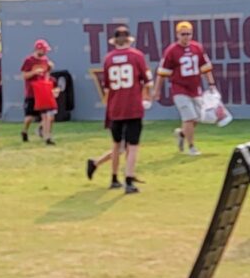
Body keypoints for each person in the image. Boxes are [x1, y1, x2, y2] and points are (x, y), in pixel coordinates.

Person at [86, 25, 153, 193]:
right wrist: (146, 97)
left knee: (117, 145)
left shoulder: (108, 59)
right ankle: (129, 180)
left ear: (115, 41)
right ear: (129, 40)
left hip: (116, 107)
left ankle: (114, 178)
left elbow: (107, 88)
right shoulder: (137, 56)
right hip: (132, 107)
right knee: (133, 146)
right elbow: (147, 81)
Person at [156, 21, 216, 156]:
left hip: (195, 88)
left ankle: (182, 133)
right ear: (177, 34)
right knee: (189, 118)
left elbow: (206, 68)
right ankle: (191, 147)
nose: (186, 37)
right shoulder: (171, 50)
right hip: (179, 88)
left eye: (188, 34)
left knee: (197, 118)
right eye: (183, 34)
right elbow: (162, 73)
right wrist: (157, 90)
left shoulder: (197, 47)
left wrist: (211, 84)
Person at [20, 39, 57, 144]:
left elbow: (46, 74)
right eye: (44, 50)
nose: (45, 52)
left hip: (42, 92)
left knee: (46, 115)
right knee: (29, 118)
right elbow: (24, 75)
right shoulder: (29, 60)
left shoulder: (45, 60)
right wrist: (34, 72)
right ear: (38, 49)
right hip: (31, 92)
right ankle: (24, 131)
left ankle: (47, 137)